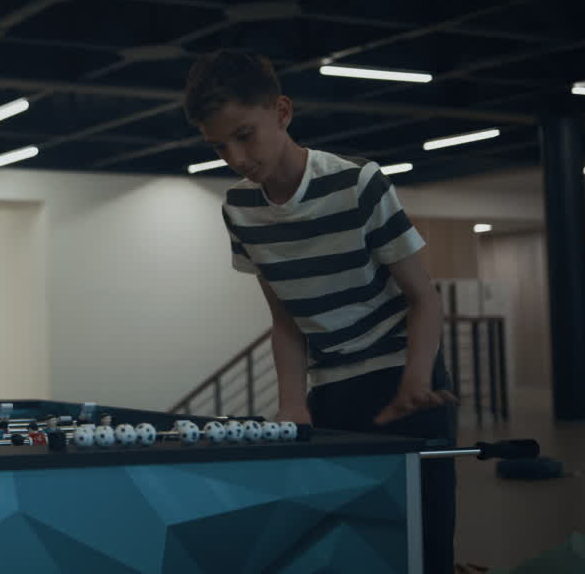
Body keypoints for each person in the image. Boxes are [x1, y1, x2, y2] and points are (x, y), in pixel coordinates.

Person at [185, 49, 458, 574]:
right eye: (219, 146)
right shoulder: (239, 209)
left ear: (282, 111)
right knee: (341, 547)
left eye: (244, 135)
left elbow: (423, 297)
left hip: (405, 379)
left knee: (423, 550)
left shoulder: (358, 183)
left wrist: (417, 378)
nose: (236, 158)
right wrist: (293, 405)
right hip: (330, 388)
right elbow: (285, 320)